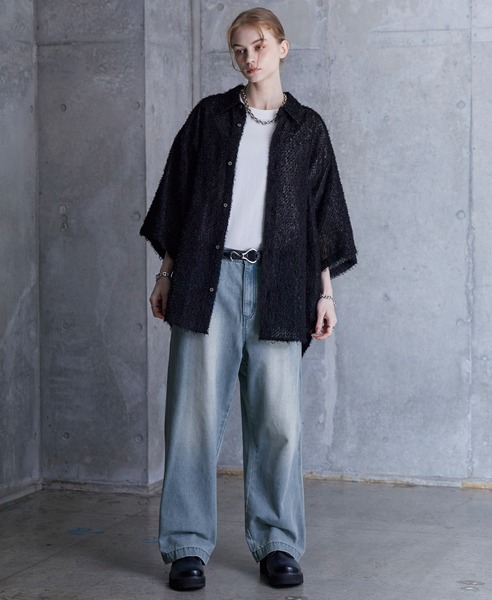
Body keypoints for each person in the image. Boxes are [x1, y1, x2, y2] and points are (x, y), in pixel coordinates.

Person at [140, 6, 356, 592]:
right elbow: (179, 199)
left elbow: (322, 221)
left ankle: (278, 543)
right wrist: (166, 274)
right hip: (205, 281)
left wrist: (326, 294)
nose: (249, 57)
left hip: (280, 285)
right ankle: (187, 546)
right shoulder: (209, 119)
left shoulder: (308, 130)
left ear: (282, 47)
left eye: (258, 45)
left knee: (278, 422)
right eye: (239, 49)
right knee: (191, 419)